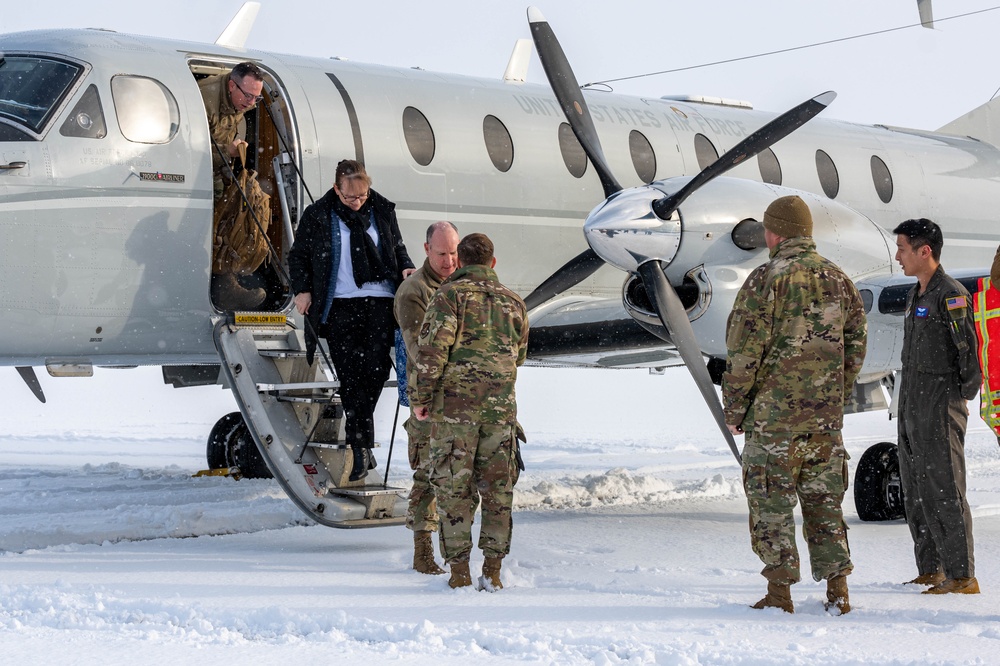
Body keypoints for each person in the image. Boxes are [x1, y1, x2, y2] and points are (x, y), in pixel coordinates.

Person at [722, 195, 867, 615]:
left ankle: (779, 594)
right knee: (825, 506)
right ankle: (838, 592)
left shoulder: (766, 279)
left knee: (772, 508)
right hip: (824, 424)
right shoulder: (840, 279)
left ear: (774, 232)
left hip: (774, 425)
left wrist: (735, 409)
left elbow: (744, 352)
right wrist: (833, 395)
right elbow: (856, 348)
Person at [412, 233, 529, 590]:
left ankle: (459, 572)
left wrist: (421, 401)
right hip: (500, 415)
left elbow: (431, 354)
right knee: (498, 492)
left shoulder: (447, 297)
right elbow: (519, 356)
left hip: (454, 417)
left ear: (460, 261)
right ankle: (493, 570)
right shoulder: (514, 302)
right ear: (492, 263)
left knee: (454, 492)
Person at [288, 159, 414, 482]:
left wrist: (406, 269)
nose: (357, 202)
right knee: (350, 374)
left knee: (376, 370)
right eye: (349, 198)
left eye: (362, 196)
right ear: (336, 189)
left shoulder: (382, 210)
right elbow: (298, 255)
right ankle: (360, 448)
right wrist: (302, 290)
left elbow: (396, 247)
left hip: (380, 302)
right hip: (341, 304)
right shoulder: (318, 216)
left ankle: (359, 437)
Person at [893, 218, 980, 595]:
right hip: (912, 402)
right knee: (915, 488)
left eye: (903, 248)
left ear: (924, 251)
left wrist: (956, 398)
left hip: (939, 404)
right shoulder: (916, 294)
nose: (898, 256)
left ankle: (962, 576)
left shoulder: (951, 293)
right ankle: (931, 567)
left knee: (944, 488)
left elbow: (969, 354)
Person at [394, 221, 461, 575]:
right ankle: (422, 551)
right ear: (426, 250)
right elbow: (420, 351)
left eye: (453, 252)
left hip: (463, 400)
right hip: (429, 398)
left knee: (460, 477)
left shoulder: (464, 284)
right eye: (442, 253)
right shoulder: (414, 291)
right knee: (427, 475)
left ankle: (456, 552)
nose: (449, 261)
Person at [199, 61, 267, 310]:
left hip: (218, 172)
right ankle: (223, 286)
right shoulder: (203, 101)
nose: (250, 103)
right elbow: (190, 151)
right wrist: (224, 153)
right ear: (231, 85)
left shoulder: (238, 103)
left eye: (256, 98)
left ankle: (227, 283)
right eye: (247, 95)